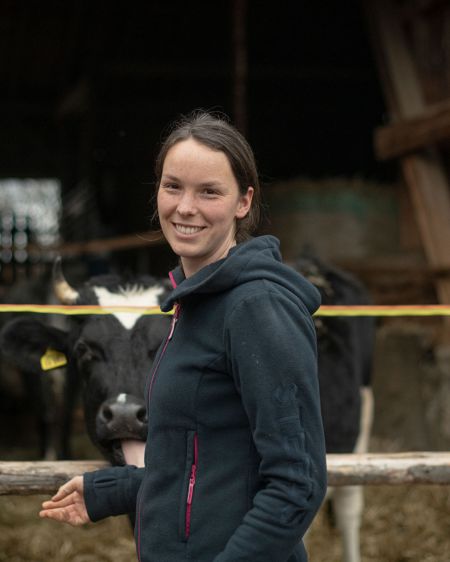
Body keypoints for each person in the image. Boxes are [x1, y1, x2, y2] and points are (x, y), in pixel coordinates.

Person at [39, 110, 327, 561]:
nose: (185, 207)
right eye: (173, 186)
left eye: (209, 191)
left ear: (243, 202)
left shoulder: (257, 308)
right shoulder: (188, 304)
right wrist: (112, 490)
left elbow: (298, 483)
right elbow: (206, 464)